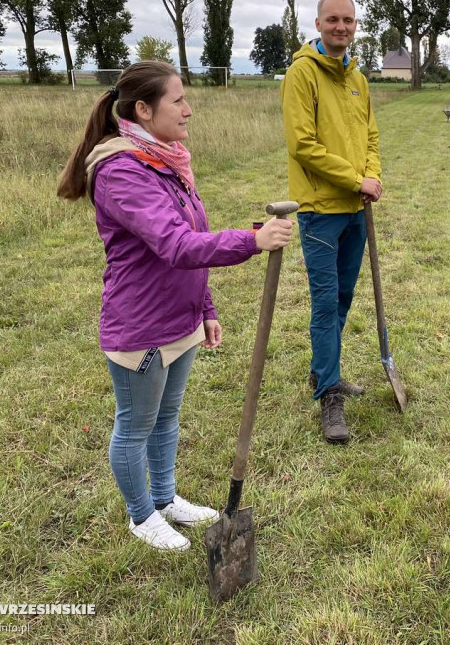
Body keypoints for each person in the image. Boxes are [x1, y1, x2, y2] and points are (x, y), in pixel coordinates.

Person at [57, 60, 294, 551]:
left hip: (178, 318)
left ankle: (164, 498)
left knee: (167, 419)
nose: (190, 109)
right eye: (178, 100)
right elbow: (176, 245)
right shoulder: (121, 170)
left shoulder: (166, 161)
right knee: (135, 425)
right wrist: (254, 239)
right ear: (143, 110)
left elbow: (194, 243)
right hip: (141, 324)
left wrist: (204, 309)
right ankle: (141, 515)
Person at [281, 0, 382, 444]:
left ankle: (325, 371)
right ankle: (329, 396)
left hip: (356, 211)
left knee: (342, 298)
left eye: (349, 20)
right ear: (318, 23)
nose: (341, 27)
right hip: (321, 211)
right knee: (324, 304)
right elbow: (303, 145)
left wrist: (372, 176)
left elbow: (370, 137)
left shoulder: (357, 78)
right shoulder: (302, 75)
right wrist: (354, 179)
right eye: (333, 20)